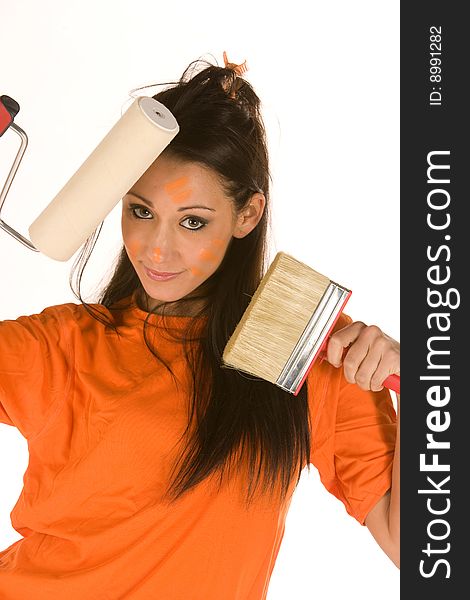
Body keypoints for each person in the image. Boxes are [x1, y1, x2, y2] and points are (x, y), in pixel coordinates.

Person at [0, 52, 399, 599]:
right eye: (140, 211)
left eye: (192, 221)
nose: (156, 249)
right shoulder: (64, 345)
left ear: (247, 215)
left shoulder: (310, 346)